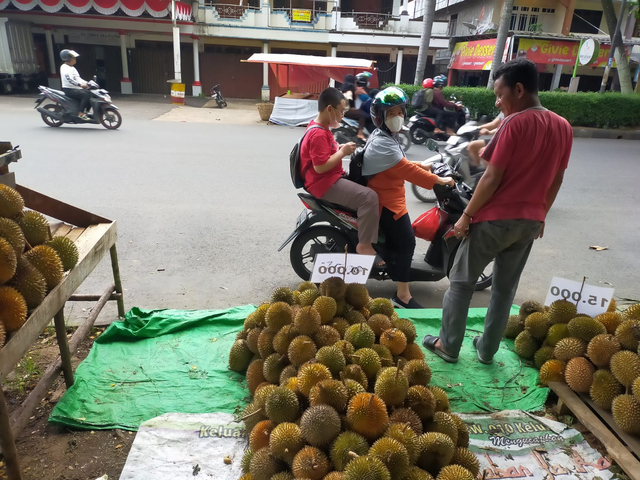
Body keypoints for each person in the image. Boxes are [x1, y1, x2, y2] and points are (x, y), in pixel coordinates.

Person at [422, 58, 573, 364]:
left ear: (519, 89)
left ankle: (449, 346)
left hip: (494, 220)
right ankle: (487, 350)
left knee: (461, 283)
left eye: (500, 94)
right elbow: (557, 178)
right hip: (530, 222)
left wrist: (466, 216)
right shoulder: (563, 126)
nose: (497, 100)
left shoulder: (515, 123)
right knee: (504, 290)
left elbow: (491, 176)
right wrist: (541, 213)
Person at [363, 87, 455, 308]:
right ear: (380, 116)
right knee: (407, 242)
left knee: (402, 240)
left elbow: (399, 164)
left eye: (400, 112)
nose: (398, 117)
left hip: (389, 197)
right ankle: (402, 296)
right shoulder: (383, 142)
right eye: (391, 113)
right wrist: (439, 181)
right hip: (387, 203)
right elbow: (407, 171)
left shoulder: (386, 136)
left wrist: (425, 165)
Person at [301, 87, 380, 257]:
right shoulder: (318, 133)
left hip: (329, 179)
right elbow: (320, 167)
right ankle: (364, 245)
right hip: (324, 183)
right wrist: (342, 153)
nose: (342, 115)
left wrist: (340, 148)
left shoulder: (321, 127)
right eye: (341, 111)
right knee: (370, 197)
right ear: (330, 109)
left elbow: (327, 153)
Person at [59, 49, 91, 120]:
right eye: (73, 58)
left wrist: (88, 83)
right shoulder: (64, 68)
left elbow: (78, 78)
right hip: (69, 89)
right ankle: (81, 113)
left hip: (75, 88)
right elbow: (69, 79)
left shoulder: (72, 68)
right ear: (68, 59)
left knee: (90, 93)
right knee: (85, 95)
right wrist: (80, 85)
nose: (75, 59)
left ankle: (86, 111)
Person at [340, 74, 366, 140]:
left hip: (342, 111)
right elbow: (350, 101)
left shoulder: (343, 88)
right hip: (346, 111)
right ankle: (360, 133)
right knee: (362, 114)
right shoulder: (351, 89)